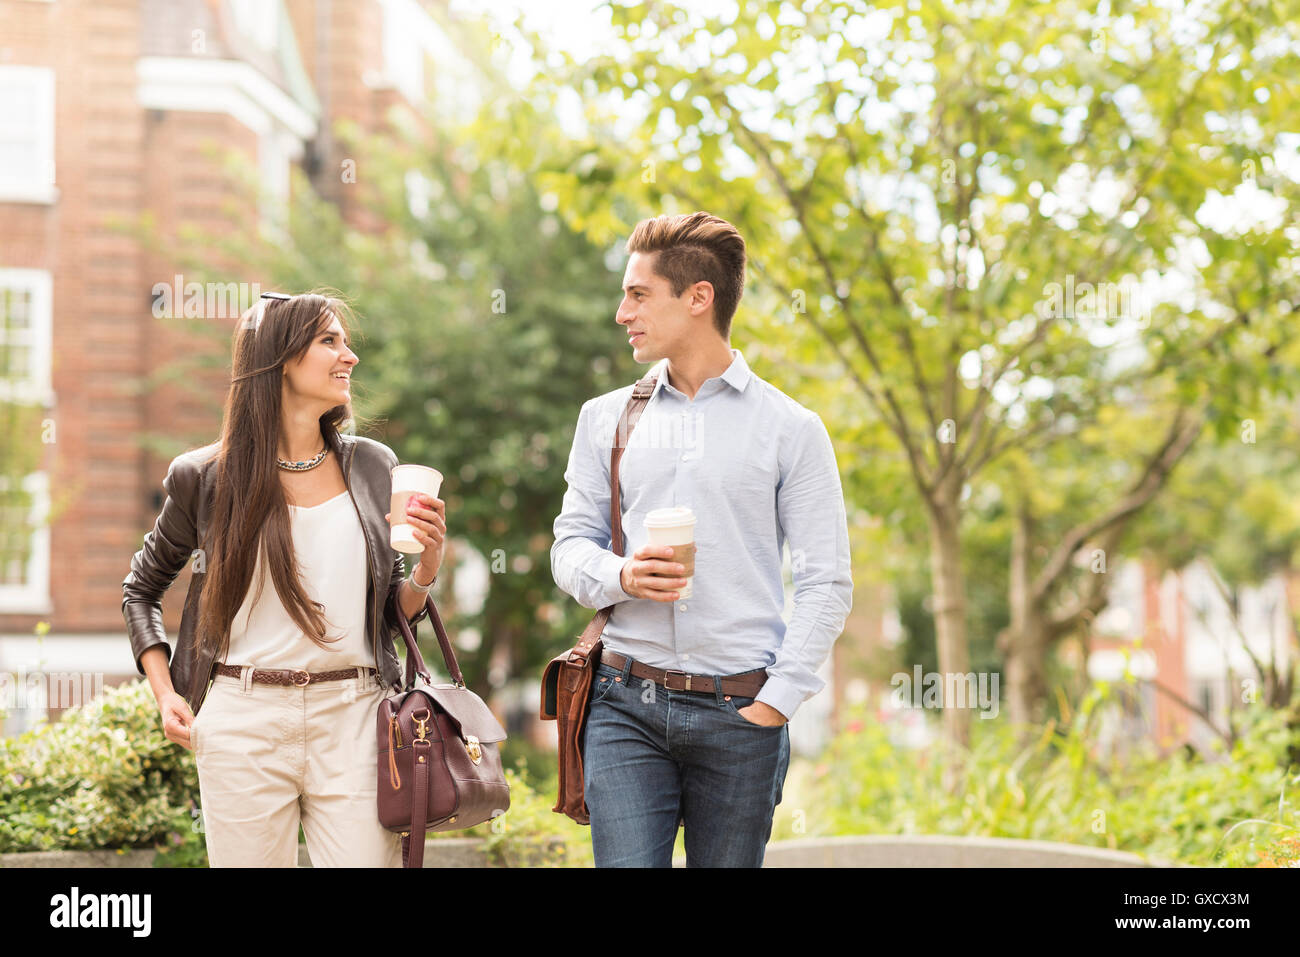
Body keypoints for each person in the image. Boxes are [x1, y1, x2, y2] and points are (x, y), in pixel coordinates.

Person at [550, 211, 854, 867]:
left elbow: (825, 580)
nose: (620, 312)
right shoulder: (604, 418)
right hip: (625, 704)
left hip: (741, 713)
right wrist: (621, 575)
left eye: (637, 294)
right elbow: (569, 545)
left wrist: (776, 702)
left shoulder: (791, 429)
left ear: (698, 297)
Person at [121, 291, 447, 868]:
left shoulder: (374, 467)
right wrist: (166, 691)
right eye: (329, 341)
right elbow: (142, 589)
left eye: (346, 342)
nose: (349, 357)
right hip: (241, 718)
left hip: (354, 714)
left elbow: (393, 610)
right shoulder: (205, 477)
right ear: (280, 359)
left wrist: (426, 566)